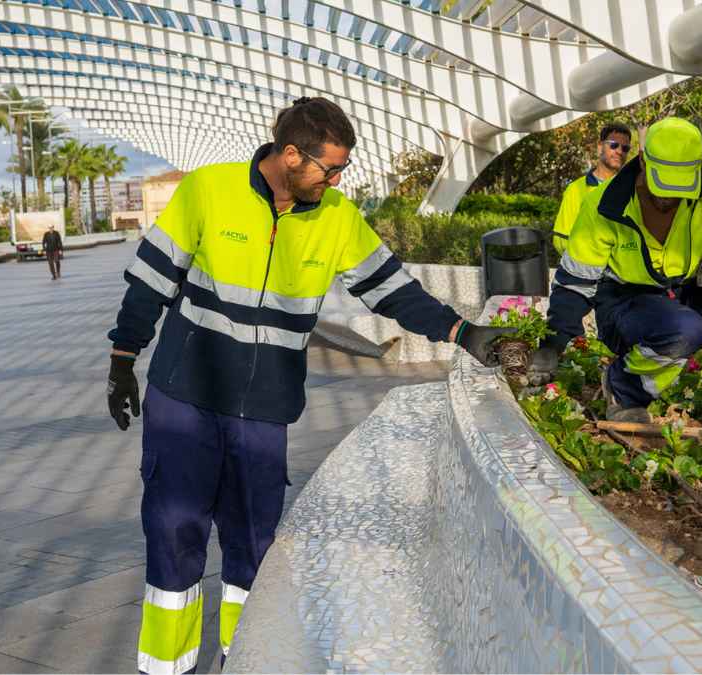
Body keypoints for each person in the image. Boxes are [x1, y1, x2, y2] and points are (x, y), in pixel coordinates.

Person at [105, 96, 511, 674]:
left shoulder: (337, 217)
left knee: (253, 545)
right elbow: (150, 281)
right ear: (291, 155)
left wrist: (461, 331)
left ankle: (244, 661)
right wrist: (123, 358)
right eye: (330, 168)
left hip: (263, 408)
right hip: (184, 395)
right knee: (174, 534)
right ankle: (166, 668)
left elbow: (392, 291)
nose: (337, 179)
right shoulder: (208, 190)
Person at [529, 117, 702, 435]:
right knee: (685, 329)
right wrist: (552, 345)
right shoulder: (604, 205)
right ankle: (624, 389)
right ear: (643, 161)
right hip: (627, 306)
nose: (669, 199)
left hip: (691, 295)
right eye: (663, 187)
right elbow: (574, 284)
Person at [551, 123, 632, 255]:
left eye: (625, 148)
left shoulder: (631, 191)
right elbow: (561, 239)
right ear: (600, 147)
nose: (619, 151)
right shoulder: (575, 189)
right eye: (614, 145)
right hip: (584, 266)